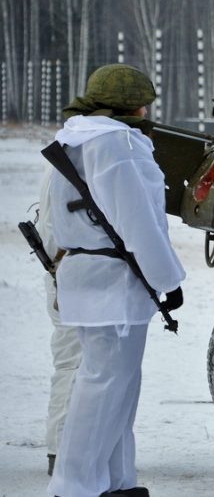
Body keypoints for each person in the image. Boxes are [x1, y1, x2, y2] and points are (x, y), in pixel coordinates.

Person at [46, 64, 186, 497]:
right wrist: (167, 278)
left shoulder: (76, 138)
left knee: (115, 383)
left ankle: (117, 480)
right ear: (134, 106)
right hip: (113, 283)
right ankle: (75, 486)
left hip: (88, 275)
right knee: (104, 385)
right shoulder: (119, 143)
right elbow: (139, 221)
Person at [36, 172, 82, 477]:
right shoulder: (71, 163)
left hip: (65, 273)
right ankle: (62, 452)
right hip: (69, 275)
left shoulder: (63, 159)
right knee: (74, 366)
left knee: (72, 364)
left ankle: (63, 449)